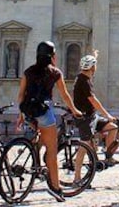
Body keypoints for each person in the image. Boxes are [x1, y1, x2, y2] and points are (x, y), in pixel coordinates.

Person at [16, 41, 82, 202]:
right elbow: (65, 95)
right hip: (43, 112)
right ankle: (56, 187)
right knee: (52, 152)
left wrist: (21, 114)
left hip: (28, 111)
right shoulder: (55, 72)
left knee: (39, 137)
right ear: (53, 56)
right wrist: (74, 110)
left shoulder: (28, 72)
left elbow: (20, 95)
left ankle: (35, 161)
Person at [73, 50, 119, 182]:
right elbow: (94, 101)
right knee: (84, 147)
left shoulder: (84, 77)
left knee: (112, 127)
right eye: (95, 65)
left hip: (93, 117)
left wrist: (95, 57)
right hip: (85, 118)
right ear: (92, 67)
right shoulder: (84, 81)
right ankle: (77, 178)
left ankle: (108, 156)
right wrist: (107, 115)